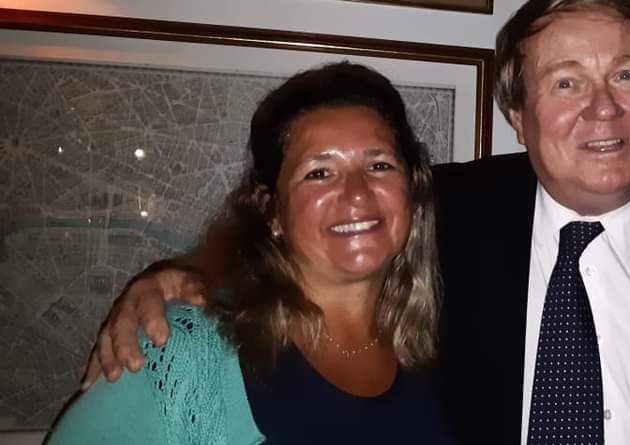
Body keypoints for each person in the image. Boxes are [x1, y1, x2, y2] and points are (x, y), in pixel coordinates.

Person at [82, 0, 630, 444]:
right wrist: (171, 279)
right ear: (517, 115)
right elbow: (316, 236)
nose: (602, 108)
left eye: (626, 74)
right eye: (566, 82)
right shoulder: (440, 216)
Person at [49, 63, 454, 443]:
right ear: (271, 210)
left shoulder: (438, 331)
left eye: (379, 165)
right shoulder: (179, 353)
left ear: (412, 190)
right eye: (319, 173)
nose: (357, 193)